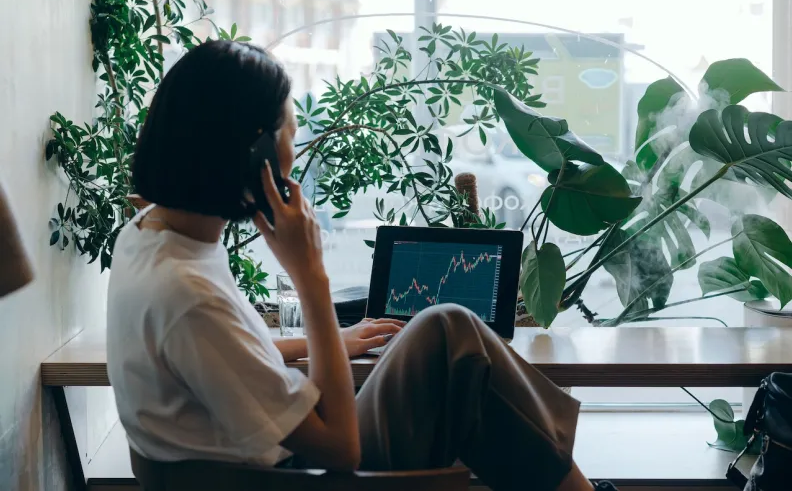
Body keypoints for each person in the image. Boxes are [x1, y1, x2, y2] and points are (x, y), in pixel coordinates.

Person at [106, 40, 618, 491]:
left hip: (267, 460)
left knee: (448, 329)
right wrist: (311, 278)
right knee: (459, 344)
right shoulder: (188, 293)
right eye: (292, 128)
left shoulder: (151, 235)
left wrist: (328, 343)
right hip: (299, 476)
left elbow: (229, 353)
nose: (297, 145)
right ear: (255, 151)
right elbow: (340, 447)